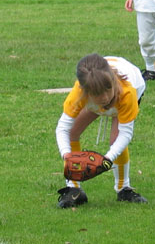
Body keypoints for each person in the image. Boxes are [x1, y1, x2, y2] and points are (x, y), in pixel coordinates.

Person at [55, 53, 148, 208]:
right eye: (98, 94)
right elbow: (63, 128)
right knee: (72, 132)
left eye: (107, 89)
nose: (105, 97)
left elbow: (126, 133)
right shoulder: (79, 93)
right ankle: (74, 189)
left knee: (116, 139)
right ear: (85, 91)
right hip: (95, 95)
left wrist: (107, 159)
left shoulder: (128, 91)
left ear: (112, 80)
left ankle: (124, 189)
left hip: (122, 96)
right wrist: (67, 155)